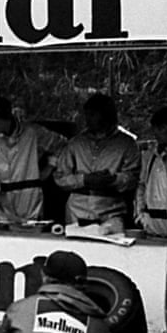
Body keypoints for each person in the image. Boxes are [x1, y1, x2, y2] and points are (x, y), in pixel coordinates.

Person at [0, 96, 66, 224]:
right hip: (0, 204)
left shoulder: (33, 132)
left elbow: (62, 146)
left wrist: (49, 167)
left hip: (30, 201)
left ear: (6, 118)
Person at [54, 94, 140, 234]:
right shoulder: (76, 143)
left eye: (93, 115)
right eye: (87, 115)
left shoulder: (127, 144)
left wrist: (112, 179)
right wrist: (84, 180)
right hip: (77, 213)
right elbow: (60, 178)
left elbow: (134, 179)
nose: (88, 119)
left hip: (111, 213)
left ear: (107, 115)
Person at [136, 105, 167, 238]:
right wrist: (142, 217)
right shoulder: (150, 157)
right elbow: (141, 187)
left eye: (160, 128)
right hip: (155, 231)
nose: (156, 133)